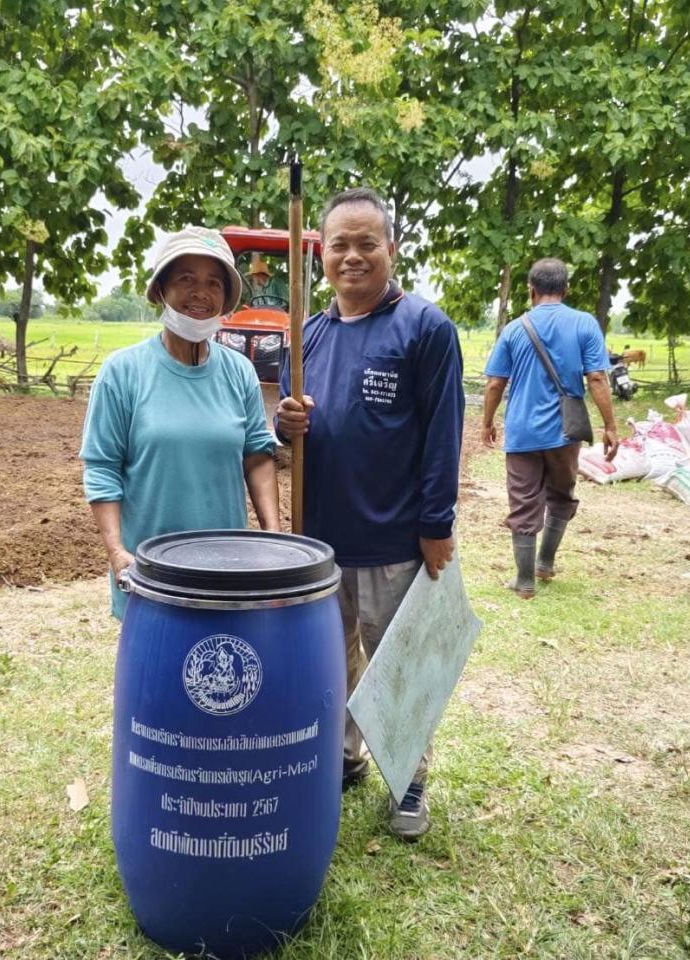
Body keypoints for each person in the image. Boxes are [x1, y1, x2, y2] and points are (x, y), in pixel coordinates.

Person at [276, 187, 464, 841]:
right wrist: (286, 422)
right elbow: (288, 442)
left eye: (366, 243)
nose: (352, 256)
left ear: (391, 248)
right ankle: (345, 757)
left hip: (394, 536)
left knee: (397, 662)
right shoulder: (307, 338)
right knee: (332, 660)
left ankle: (408, 779)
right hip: (322, 540)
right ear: (320, 254)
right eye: (338, 245)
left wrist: (437, 524)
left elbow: (443, 432)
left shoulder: (424, 328)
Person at [80, 227, 280, 619]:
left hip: (227, 568)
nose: (200, 293)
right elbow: (102, 469)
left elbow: (257, 454)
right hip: (151, 570)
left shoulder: (239, 372)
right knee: (157, 673)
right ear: (160, 291)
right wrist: (117, 552)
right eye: (185, 279)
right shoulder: (123, 372)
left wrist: (273, 539)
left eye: (213, 283)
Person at [480, 258, 618, 599]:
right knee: (560, 495)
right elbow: (597, 377)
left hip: (523, 432)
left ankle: (525, 580)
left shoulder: (515, 329)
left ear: (531, 291)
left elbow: (495, 383)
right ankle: (545, 562)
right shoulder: (585, 324)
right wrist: (610, 425)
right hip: (566, 431)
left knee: (524, 501)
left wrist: (487, 422)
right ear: (566, 290)